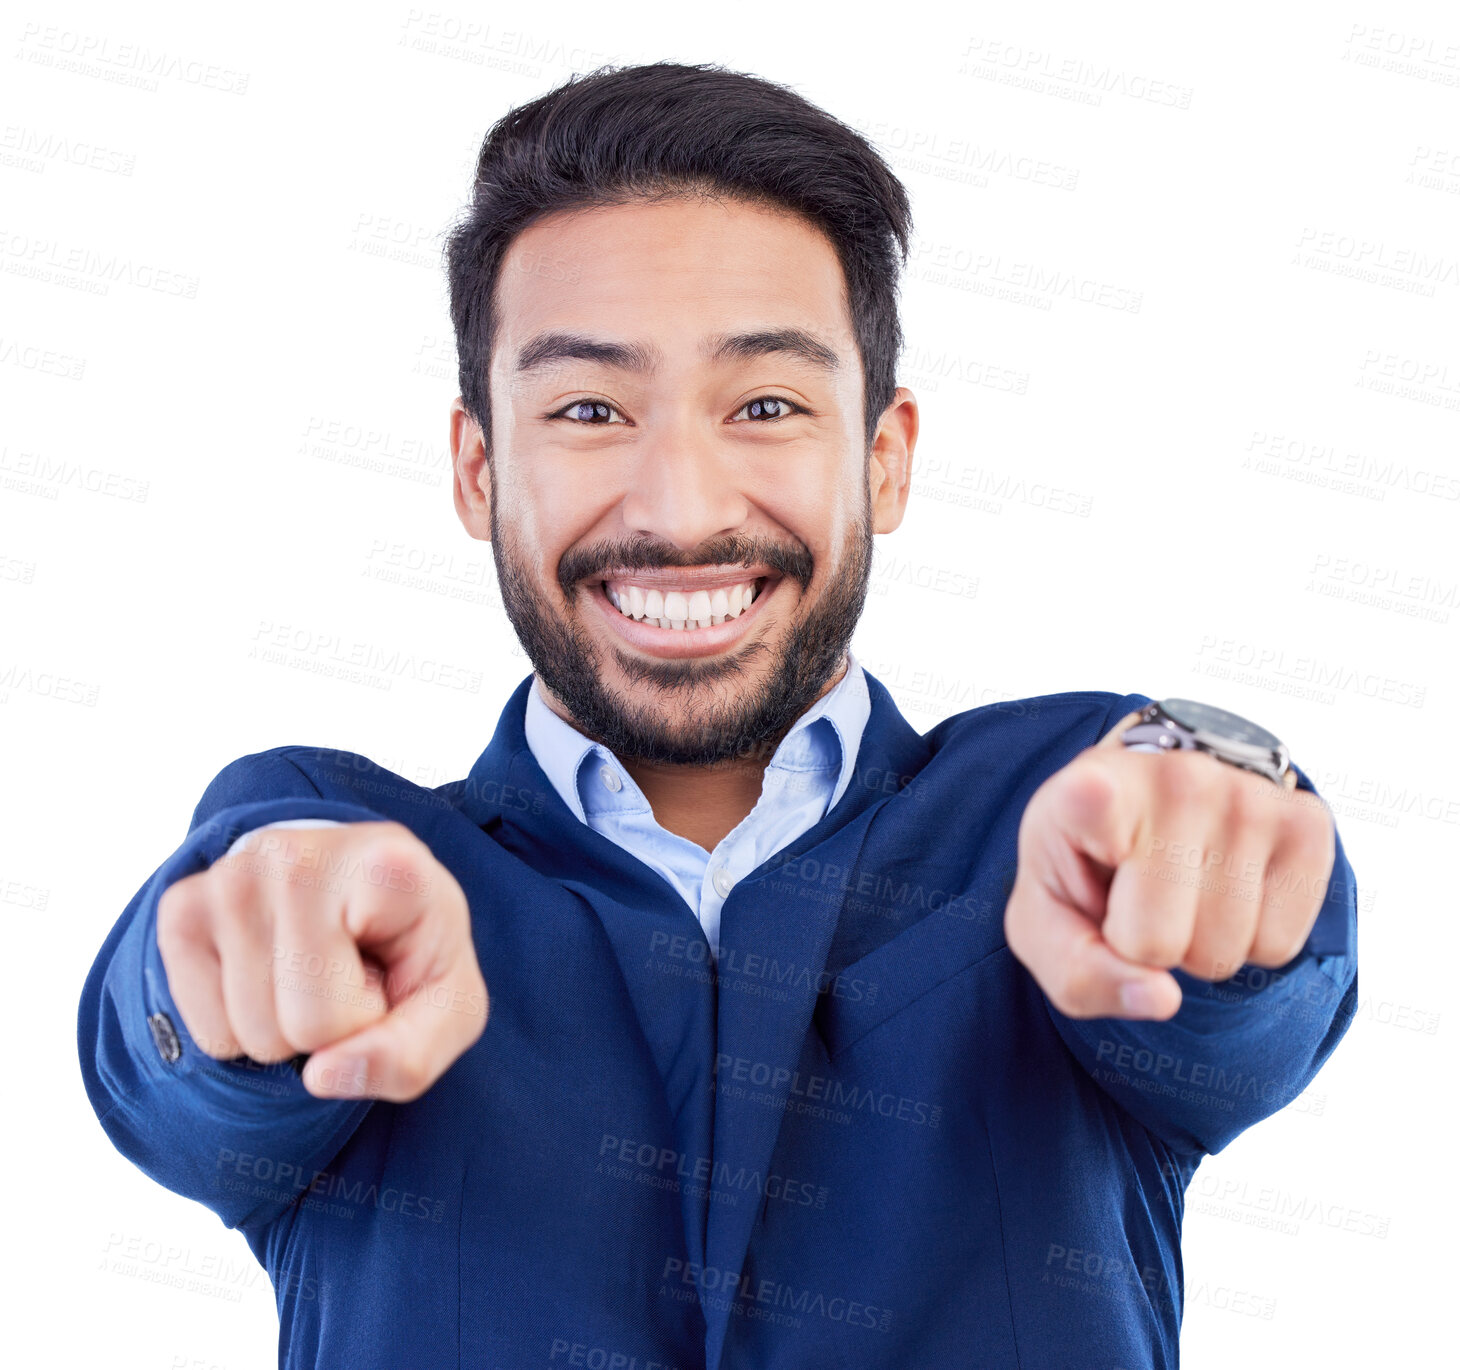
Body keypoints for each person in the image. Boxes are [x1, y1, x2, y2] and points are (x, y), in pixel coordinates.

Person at [77, 60, 1357, 1370]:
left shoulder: (1055, 818)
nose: (679, 509)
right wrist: (224, 969)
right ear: (477, 467)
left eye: (764, 406)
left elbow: (1226, 964)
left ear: (885, 456)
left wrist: (1225, 854)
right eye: (587, 408)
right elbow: (177, 1058)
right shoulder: (354, 858)